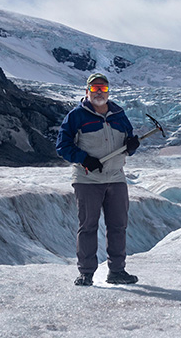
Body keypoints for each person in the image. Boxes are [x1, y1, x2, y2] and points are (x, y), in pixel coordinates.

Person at [56, 72, 142, 286]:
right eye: (94, 89)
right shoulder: (76, 116)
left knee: (118, 226)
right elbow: (63, 146)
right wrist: (84, 159)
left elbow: (128, 141)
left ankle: (117, 271)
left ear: (108, 91)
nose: (99, 93)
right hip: (87, 180)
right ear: (87, 91)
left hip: (116, 178)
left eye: (103, 89)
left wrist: (132, 147)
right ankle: (86, 273)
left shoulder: (119, 114)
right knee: (88, 226)